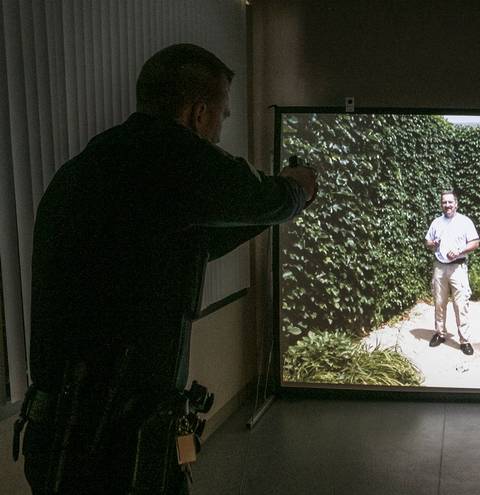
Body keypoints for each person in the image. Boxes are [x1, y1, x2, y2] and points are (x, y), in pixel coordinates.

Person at [15, 44, 317, 494]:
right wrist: (298, 190)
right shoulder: (170, 157)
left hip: (68, 433)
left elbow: (198, 240)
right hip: (115, 443)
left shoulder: (97, 166)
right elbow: (260, 197)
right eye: (222, 116)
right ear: (198, 113)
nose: (219, 132)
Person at [424, 191, 480, 356]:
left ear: (456, 204)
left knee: (461, 305)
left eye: (450, 202)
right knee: (439, 302)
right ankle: (440, 334)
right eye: (444, 202)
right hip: (439, 267)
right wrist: (432, 243)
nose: (447, 205)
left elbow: (475, 243)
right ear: (441, 204)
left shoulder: (465, 222)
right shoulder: (436, 222)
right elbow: (427, 241)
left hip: (458, 268)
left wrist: (459, 250)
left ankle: (464, 340)